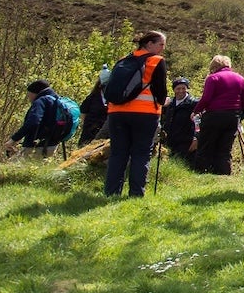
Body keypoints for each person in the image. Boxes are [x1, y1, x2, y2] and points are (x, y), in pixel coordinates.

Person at [103, 30, 168, 198]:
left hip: (117, 112)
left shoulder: (123, 61)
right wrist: (163, 101)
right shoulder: (156, 61)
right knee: (140, 153)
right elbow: (160, 91)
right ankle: (136, 194)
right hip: (145, 114)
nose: (163, 48)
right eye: (161, 44)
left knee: (118, 153)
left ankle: (111, 192)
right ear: (149, 44)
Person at [193, 55, 244, 176]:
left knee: (206, 145)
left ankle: (202, 171)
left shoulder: (212, 78)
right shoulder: (240, 78)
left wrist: (196, 111)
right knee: (225, 148)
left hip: (213, 115)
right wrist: (238, 110)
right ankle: (223, 173)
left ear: (214, 66)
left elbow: (206, 98)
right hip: (232, 116)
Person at [7, 79, 68, 156]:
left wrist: (13, 139)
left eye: (29, 95)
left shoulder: (41, 101)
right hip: (53, 145)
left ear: (34, 93)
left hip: (36, 146)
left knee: (15, 166)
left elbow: (33, 122)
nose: (29, 99)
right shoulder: (56, 100)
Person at [160, 77, 199, 167]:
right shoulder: (170, 103)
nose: (181, 91)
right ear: (174, 90)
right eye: (178, 88)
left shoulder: (194, 103)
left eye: (183, 88)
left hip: (186, 142)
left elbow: (199, 123)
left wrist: (196, 138)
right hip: (170, 141)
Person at [77, 70, 109, 146]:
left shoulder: (113, 98)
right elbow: (82, 113)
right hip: (89, 133)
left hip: (105, 135)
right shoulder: (92, 98)